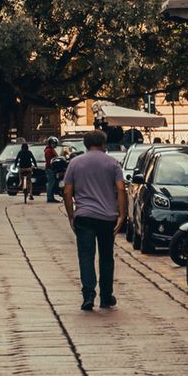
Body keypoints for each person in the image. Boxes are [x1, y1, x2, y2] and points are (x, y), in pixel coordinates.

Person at [63, 130, 126, 310]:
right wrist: (122, 214)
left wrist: (71, 216)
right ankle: (106, 295)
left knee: (86, 256)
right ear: (103, 143)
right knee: (106, 257)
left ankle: (88, 294)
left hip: (84, 216)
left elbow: (67, 192)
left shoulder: (75, 163)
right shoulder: (113, 163)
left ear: (85, 144)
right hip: (107, 217)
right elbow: (121, 189)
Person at [45, 137, 68, 202]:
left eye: (55, 144)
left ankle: (51, 196)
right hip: (50, 169)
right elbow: (51, 160)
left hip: (53, 168)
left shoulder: (50, 150)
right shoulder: (49, 151)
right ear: (50, 144)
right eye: (53, 143)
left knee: (53, 182)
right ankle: (50, 198)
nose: (54, 145)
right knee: (51, 183)